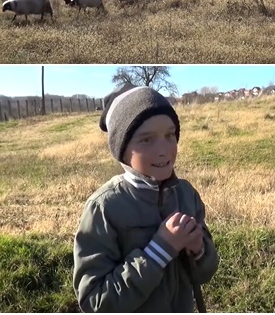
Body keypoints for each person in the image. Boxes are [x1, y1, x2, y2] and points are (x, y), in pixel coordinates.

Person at [72, 83, 219, 312]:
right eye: (147, 140)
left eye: (170, 135)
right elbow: (95, 301)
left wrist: (198, 249)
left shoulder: (186, 195)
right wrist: (158, 251)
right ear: (122, 148)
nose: (163, 149)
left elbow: (206, 272)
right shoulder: (104, 208)